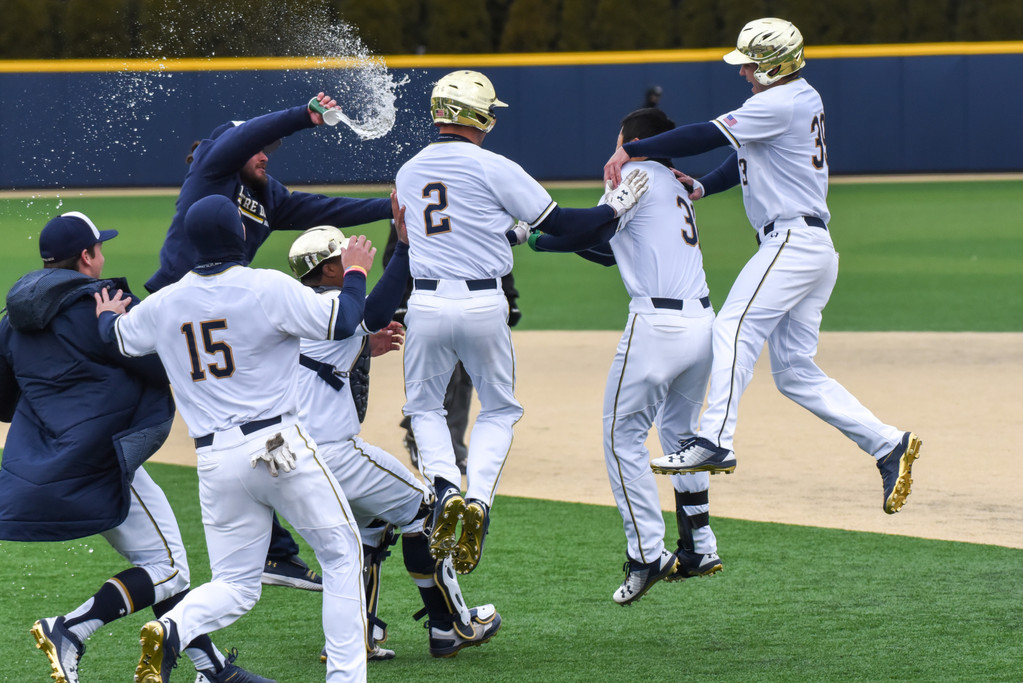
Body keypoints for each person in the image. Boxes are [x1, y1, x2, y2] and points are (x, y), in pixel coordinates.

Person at [604, 18, 922, 513]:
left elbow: (703, 136)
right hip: (811, 246)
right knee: (794, 372)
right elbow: (743, 157)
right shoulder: (799, 98)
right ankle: (887, 444)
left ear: (774, 66)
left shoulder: (778, 102)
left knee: (732, 327)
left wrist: (634, 149)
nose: (743, 72)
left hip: (791, 241)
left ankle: (715, 440)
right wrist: (704, 186)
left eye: (750, 65)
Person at [96, 195, 373, 682]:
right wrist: (354, 272)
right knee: (341, 554)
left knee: (235, 584)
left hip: (215, 460)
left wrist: (105, 313)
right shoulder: (266, 286)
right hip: (279, 447)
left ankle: (173, 626)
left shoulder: (165, 302)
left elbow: (116, 338)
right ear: (240, 235)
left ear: (191, 242)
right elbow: (342, 321)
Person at [395, 69, 650, 576]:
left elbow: (456, 229)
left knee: (423, 408)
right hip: (482, 303)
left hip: (424, 304)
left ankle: (444, 488)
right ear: (479, 117)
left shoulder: (408, 171)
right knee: (499, 410)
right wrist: (614, 207)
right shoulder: (494, 166)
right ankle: (478, 500)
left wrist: (509, 233)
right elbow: (563, 223)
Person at [0, 212, 269, 683]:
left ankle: (212, 669)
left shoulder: (12, 321)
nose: (102, 256)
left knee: (159, 560)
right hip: (102, 461)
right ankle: (70, 630)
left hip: (50, 465)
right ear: (86, 256)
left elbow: (5, 401)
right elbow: (167, 366)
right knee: (169, 567)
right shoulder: (105, 304)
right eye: (99, 248)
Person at [145, 92, 397, 592]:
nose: (265, 154)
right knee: (220, 423)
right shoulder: (212, 173)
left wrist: (387, 206)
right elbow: (245, 137)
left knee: (243, 424)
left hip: (220, 320)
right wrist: (304, 116)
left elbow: (324, 208)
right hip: (176, 313)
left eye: (269, 149)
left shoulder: (266, 195)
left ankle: (274, 554)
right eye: (258, 147)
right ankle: (271, 551)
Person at [528, 108, 724, 605]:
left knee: (622, 438)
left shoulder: (631, 173)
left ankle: (646, 554)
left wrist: (534, 237)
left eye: (619, 138)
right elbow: (607, 249)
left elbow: (591, 232)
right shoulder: (674, 182)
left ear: (631, 141)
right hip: (703, 322)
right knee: (680, 434)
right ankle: (700, 545)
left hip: (656, 327)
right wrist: (548, 243)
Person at [287, 226, 502, 660]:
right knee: (425, 508)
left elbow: (322, 354)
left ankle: (357, 635)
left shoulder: (300, 308)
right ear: (329, 270)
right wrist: (401, 247)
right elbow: (375, 310)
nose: (351, 256)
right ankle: (450, 624)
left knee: (369, 528)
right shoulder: (334, 304)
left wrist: (364, 346)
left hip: (297, 455)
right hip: (334, 452)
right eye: (342, 256)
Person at [383, 221, 523, 476]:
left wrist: (509, 295)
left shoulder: (476, 206)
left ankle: (454, 450)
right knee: (445, 381)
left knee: (466, 379)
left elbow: (493, 251)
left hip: (476, 301)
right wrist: (401, 299)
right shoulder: (418, 201)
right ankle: (420, 441)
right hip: (430, 302)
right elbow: (397, 250)